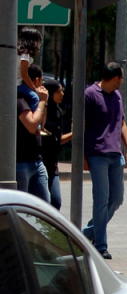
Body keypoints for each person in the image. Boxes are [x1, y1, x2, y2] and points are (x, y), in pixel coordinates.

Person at [82, 62, 127, 260]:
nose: (122, 81)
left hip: (115, 154)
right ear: (114, 78)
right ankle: (100, 246)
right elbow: (82, 125)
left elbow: (121, 123)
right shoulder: (90, 94)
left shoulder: (117, 96)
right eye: (120, 78)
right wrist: (83, 156)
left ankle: (86, 233)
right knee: (101, 200)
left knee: (117, 198)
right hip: (97, 154)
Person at [16, 64, 50, 202]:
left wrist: (44, 102)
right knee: (21, 207)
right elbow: (31, 125)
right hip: (21, 163)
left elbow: (42, 124)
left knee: (45, 206)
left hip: (37, 161)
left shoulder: (34, 101)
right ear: (36, 81)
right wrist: (42, 101)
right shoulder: (20, 99)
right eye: (41, 81)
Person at [42, 79, 72, 210]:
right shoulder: (42, 111)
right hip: (41, 164)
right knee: (43, 203)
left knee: (56, 201)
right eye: (59, 91)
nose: (62, 93)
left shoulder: (58, 112)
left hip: (52, 166)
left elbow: (58, 139)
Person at [17, 27, 43, 108]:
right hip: (17, 85)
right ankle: (33, 118)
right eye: (38, 41)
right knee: (35, 97)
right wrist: (34, 88)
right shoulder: (25, 55)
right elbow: (24, 74)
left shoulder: (19, 52)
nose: (39, 44)